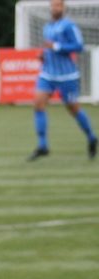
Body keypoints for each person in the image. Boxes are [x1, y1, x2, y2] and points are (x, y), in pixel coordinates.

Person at [28, 0, 97, 161]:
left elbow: (79, 46)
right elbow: (48, 47)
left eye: (58, 5)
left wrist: (57, 47)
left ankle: (92, 137)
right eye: (53, 5)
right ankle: (43, 145)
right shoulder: (47, 27)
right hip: (48, 74)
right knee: (38, 104)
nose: (55, 8)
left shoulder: (69, 26)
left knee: (73, 109)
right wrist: (44, 54)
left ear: (64, 8)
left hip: (67, 76)